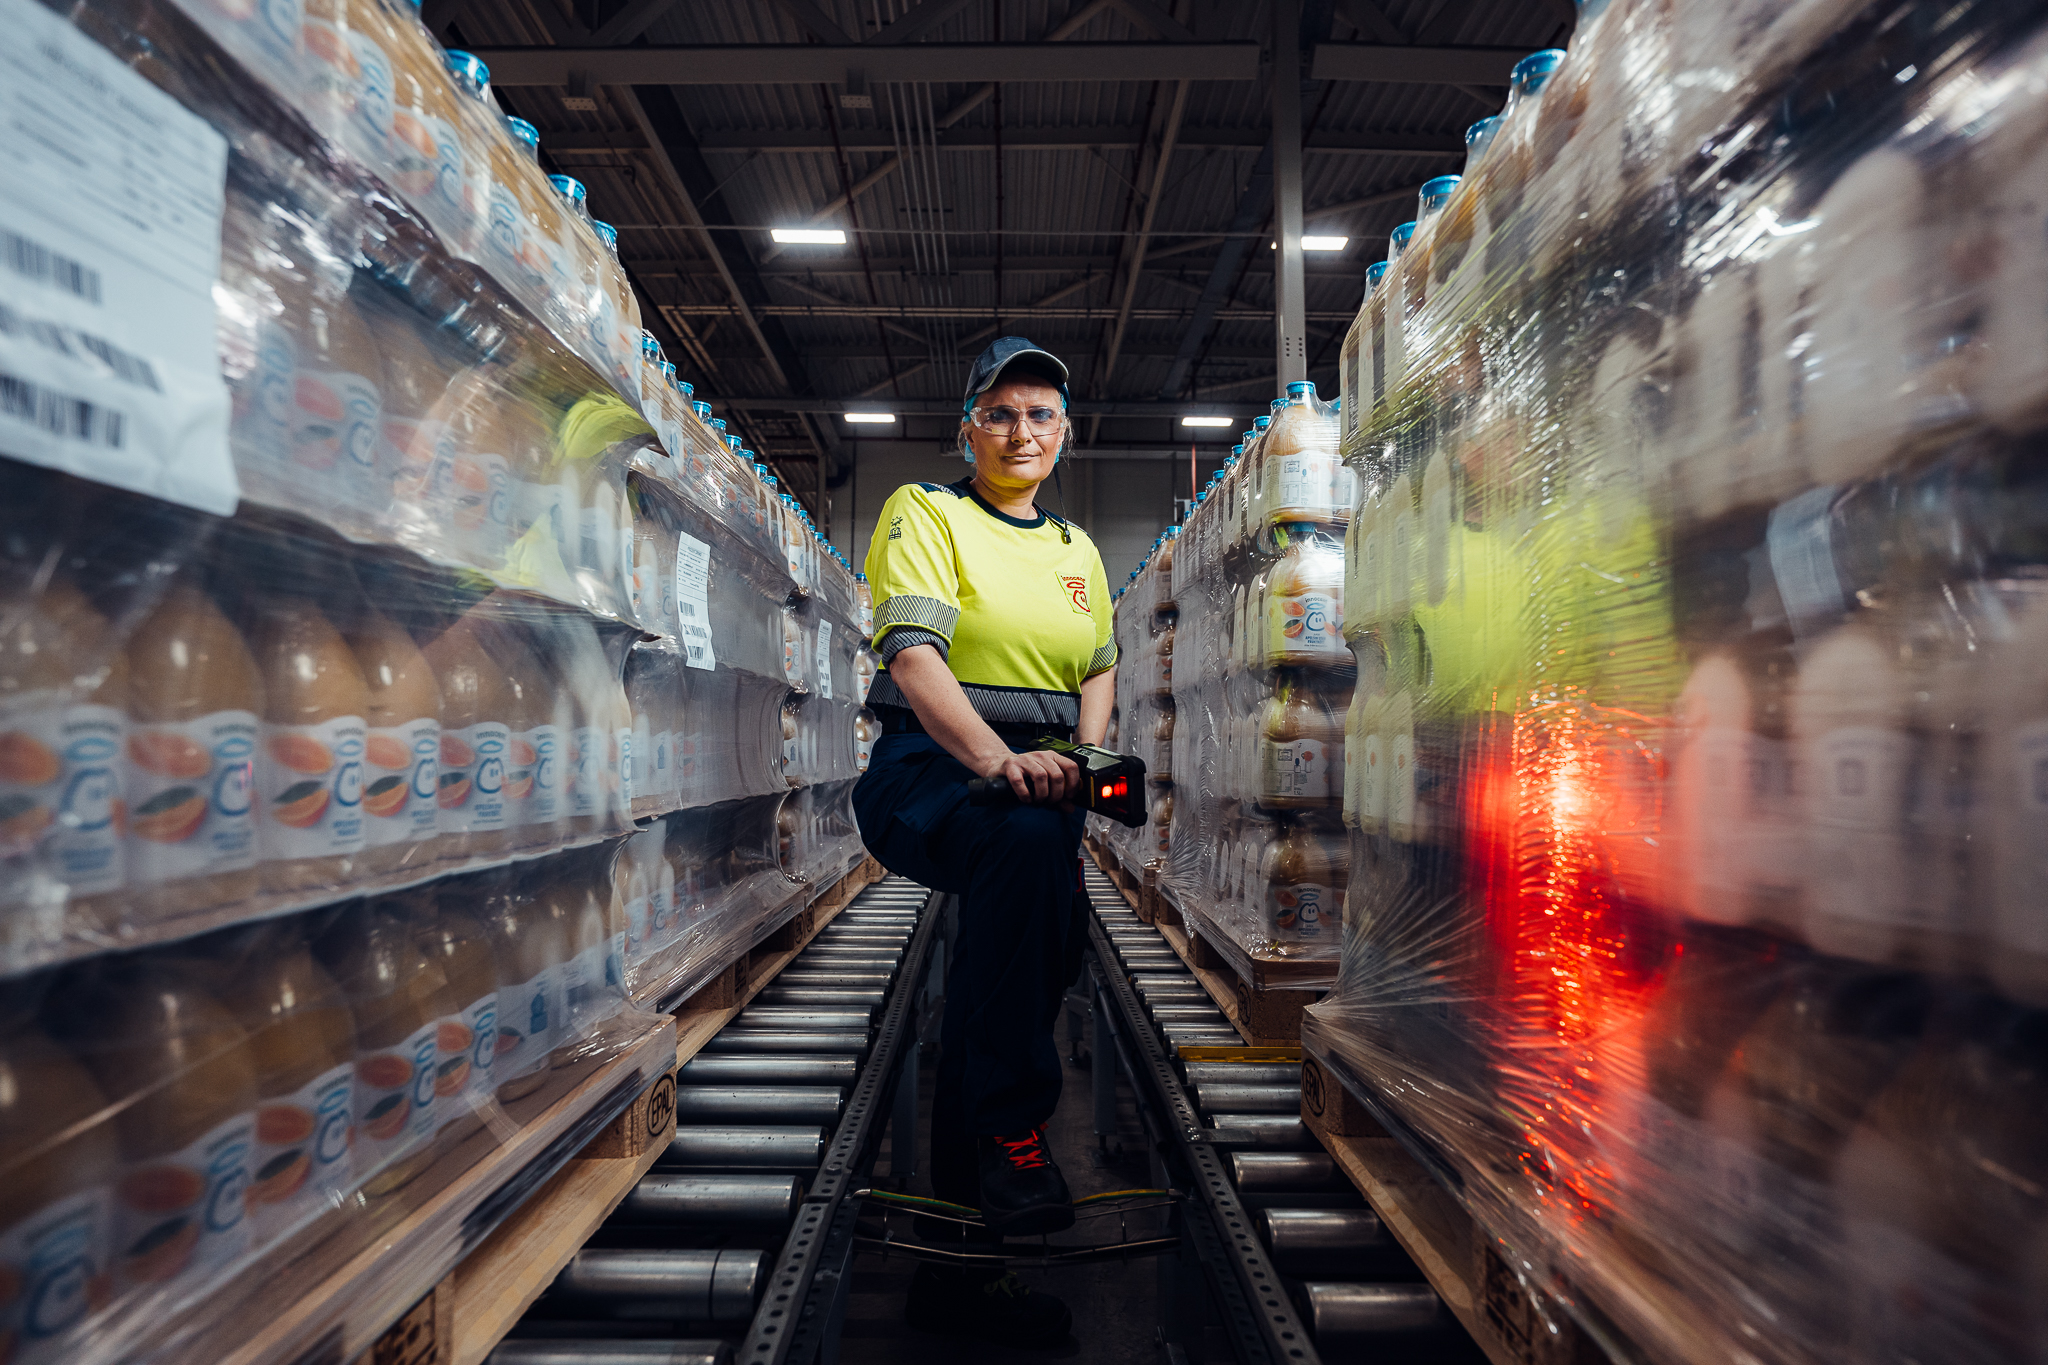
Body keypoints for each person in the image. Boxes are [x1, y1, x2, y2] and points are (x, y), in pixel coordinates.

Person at [852, 337, 1116, 1345]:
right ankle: (1011, 1127)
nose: (1021, 432)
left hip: (1034, 798)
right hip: (929, 775)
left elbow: (1095, 670)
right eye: (1000, 414)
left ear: (1065, 434)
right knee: (1020, 858)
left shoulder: (1075, 552)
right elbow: (915, 658)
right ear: (967, 425)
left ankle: (976, 1251)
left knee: (1032, 946)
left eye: (1040, 415)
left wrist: (1084, 768)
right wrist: (993, 762)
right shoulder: (926, 512)